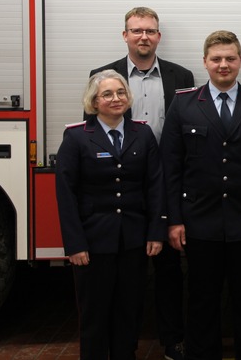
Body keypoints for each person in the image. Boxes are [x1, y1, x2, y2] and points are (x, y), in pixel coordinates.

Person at [160, 30, 241, 360]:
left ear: (240, 61)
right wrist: (174, 221)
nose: (223, 65)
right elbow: (171, 168)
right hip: (200, 224)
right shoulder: (183, 103)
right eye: (216, 59)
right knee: (202, 302)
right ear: (204, 62)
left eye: (230, 58)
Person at [89, 7, 193, 360]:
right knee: (126, 274)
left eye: (150, 31)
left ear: (159, 36)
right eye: (136, 31)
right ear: (125, 35)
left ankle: (173, 340)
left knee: (169, 269)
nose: (143, 37)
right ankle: (124, 344)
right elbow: (92, 137)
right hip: (127, 188)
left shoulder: (182, 76)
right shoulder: (104, 76)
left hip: (168, 184)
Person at [55, 69, 166, 360]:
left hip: (133, 240)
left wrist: (155, 232)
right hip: (93, 242)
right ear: (93, 101)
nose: (115, 99)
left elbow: (155, 186)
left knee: (129, 311)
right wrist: (75, 244)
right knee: (94, 315)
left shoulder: (142, 134)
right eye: (107, 94)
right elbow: (66, 194)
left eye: (120, 93)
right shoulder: (77, 137)